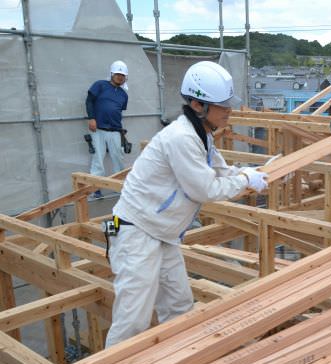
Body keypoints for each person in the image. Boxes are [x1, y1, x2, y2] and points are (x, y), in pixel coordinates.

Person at [104, 61, 268, 347]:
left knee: (179, 306)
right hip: (137, 231)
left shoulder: (201, 135)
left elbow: (218, 170)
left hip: (163, 233)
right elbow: (205, 188)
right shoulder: (181, 137)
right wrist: (244, 181)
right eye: (222, 105)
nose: (229, 110)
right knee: (133, 321)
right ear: (196, 104)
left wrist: (253, 174)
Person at [86, 60, 129, 198]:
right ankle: (95, 188)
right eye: (117, 74)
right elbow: (89, 101)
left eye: (122, 75)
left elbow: (118, 110)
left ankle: (119, 185)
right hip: (98, 129)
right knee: (98, 158)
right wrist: (91, 118)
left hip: (115, 130)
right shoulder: (100, 85)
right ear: (111, 73)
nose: (120, 77)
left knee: (118, 158)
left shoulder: (124, 94)